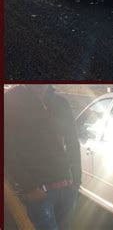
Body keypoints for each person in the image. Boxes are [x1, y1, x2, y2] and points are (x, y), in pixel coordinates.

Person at [5, 85, 82, 230]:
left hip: (66, 190)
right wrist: (29, 187)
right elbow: (7, 150)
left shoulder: (60, 103)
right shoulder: (10, 101)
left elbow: (73, 142)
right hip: (39, 193)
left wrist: (76, 180)